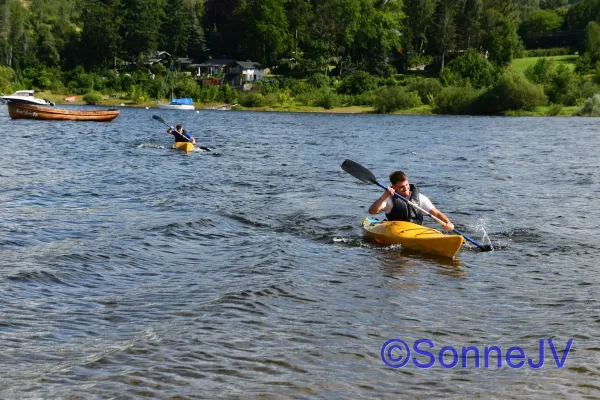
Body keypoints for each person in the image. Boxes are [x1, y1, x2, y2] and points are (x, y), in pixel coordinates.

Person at [368, 171, 455, 231]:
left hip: (416, 230)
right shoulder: (389, 199)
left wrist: (448, 222)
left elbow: (436, 213)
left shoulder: (420, 198)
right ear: (393, 187)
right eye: (401, 187)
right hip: (395, 230)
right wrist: (384, 196)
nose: (406, 188)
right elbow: (372, 211)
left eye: (407, 185)